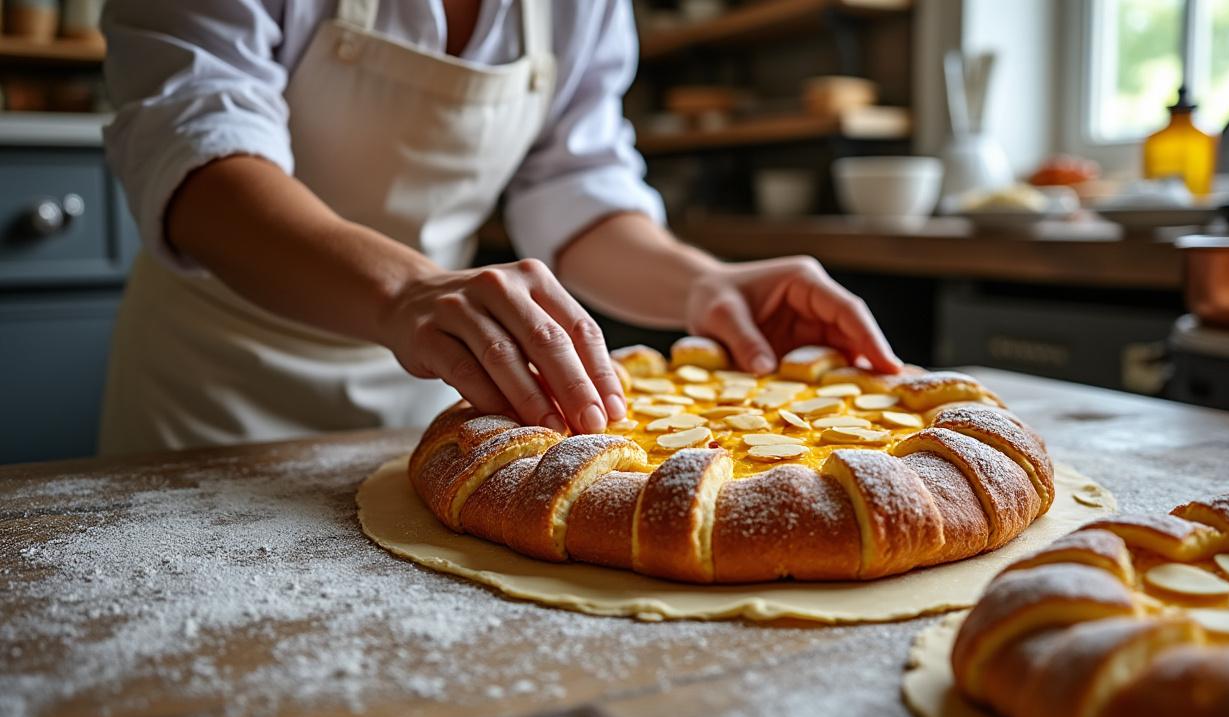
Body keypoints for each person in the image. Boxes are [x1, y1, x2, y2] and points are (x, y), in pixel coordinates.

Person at [97, 0, 901, 456]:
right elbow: (198, 160)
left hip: (436, 379)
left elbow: (576, 189)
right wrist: (407, 291)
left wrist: (702, 283)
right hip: (210, 392)